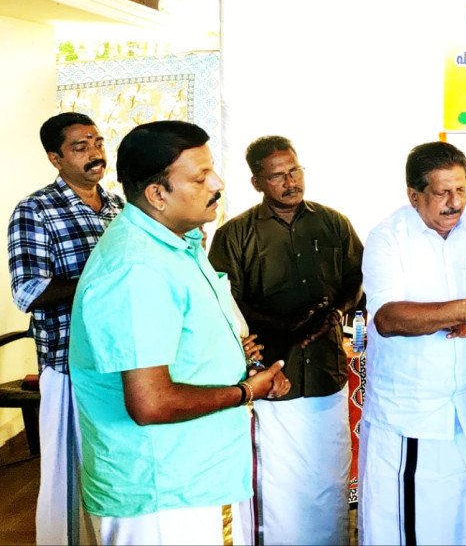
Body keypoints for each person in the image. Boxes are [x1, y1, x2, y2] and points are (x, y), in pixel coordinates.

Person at [68, 120, 289, 545]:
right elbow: (150, 402)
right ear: (157, 194)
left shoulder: (176, 244)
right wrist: (245, 391)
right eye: (200, 177)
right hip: (163, 493)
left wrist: (236, 359)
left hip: (196, 474)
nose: (218, 184)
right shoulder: (137, 268)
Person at [358, 141, 466, 545]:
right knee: (413, 528)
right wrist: (464, 309)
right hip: (411, 416)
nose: (455, 202)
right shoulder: (388, 238)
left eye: (461, 189)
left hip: (465, 410)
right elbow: (387, 319)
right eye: (442, 192)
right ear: (414, 195)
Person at [209, 135, 363, 545]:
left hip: (327, 376)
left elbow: (357, 278)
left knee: (329, 480)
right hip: (273, 380)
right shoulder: (235, 235)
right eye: (278, 176)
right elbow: (225, 306)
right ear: (257, 182)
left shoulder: (333, 223)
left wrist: (336, 311)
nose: (290, 182)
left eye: (294, 171)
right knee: (279, 491)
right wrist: (281, 329)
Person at [6, 112, 124, 545]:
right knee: (70, 479)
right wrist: (105, 280)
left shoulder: (119, 207)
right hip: (68, 361)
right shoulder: (35, 210)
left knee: (113, 468)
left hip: (118, 359)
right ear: (55, 158)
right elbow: (29, 291)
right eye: (80, 147)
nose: (95, 153)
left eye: (97, 142)